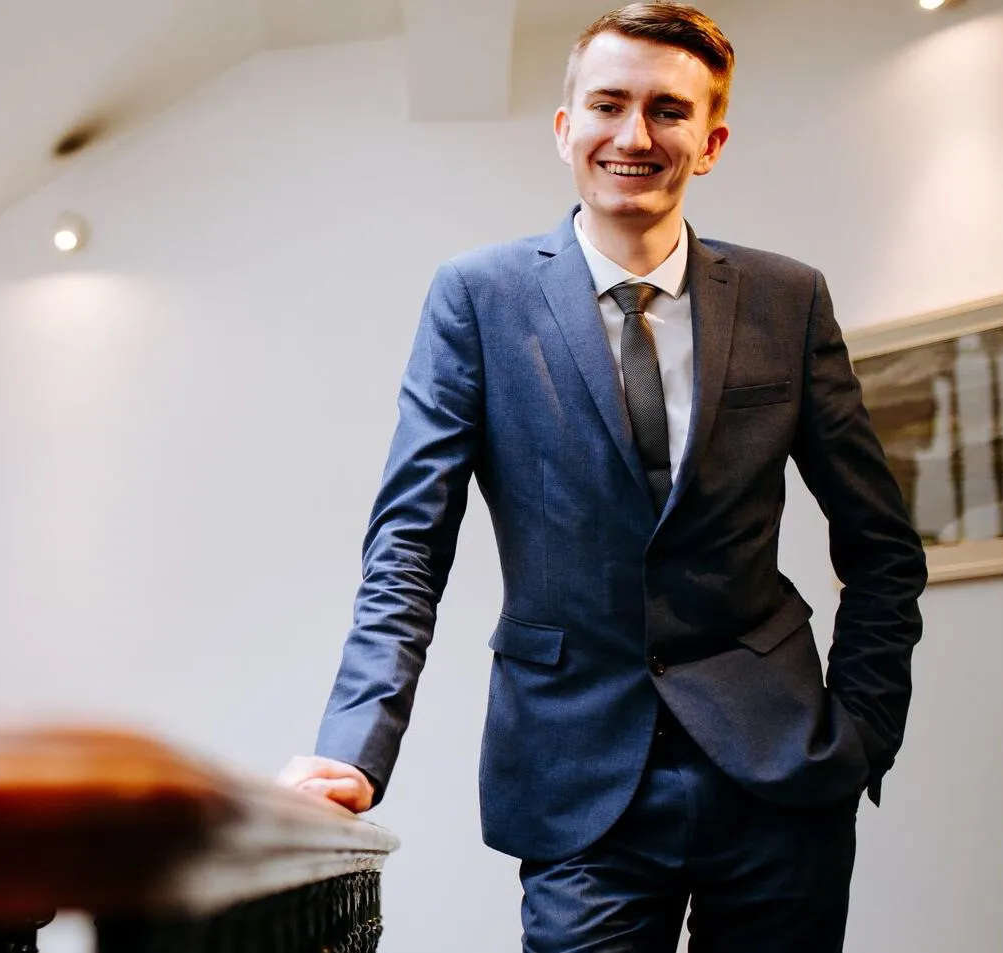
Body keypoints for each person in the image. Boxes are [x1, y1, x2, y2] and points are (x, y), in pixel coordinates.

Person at [278, 4, 927, 950]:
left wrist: (862, 729)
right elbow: (409, 544)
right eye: (608, 104)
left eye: (668, 110)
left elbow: (880, 547)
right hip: (576, 780)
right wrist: (351, 748)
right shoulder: (477, 298)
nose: (634, 135)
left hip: (780, 772)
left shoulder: (789, 299)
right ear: (564, 127)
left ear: (710, 142)